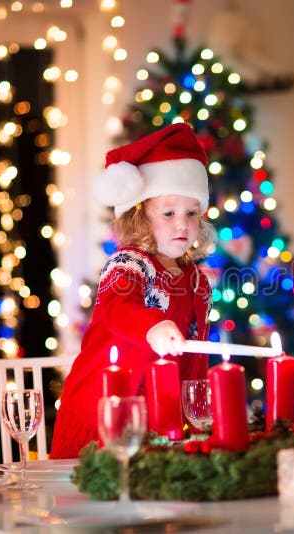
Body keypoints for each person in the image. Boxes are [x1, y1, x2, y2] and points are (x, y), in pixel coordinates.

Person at [50, 123, 215, 459]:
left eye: (191, 213)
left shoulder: (197, 280)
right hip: (104, 411)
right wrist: (152, 324)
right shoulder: (129, 264)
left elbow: (195, 353)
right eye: (168, 213)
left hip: (160, 416)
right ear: (140, 218)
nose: (182, 224)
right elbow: (116, 309)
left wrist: (195, 412)